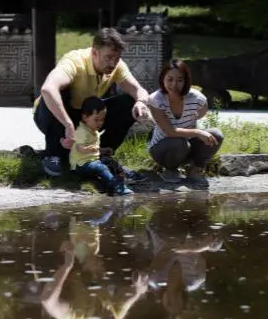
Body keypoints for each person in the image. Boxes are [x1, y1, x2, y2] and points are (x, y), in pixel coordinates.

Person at [33, 28, 151, 178]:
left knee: (130, 102)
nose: (113, 63)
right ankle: (52, 154)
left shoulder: (117, 65)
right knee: (59, 92)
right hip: (53, 116)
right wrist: (68, 125)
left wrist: (140, 102)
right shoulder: (74, 61)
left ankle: (102, 154)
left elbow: (139, 90)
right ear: (94, 53)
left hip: (85, 115)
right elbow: (48, 89)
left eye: (116, 58)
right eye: (108, 58)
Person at [146, 60, 223, 183]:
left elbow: (202, 112)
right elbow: (170, 132)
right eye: (170, 79)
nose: (174, 84)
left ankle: (195, 169)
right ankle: (170, 170)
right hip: (162, 149)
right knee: (179, 142)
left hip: (188, 146)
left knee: (216, 135)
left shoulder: (197, 98)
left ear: (186, 81)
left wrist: (193, 120)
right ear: (162, 79)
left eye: (180, 80)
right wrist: (198, 132)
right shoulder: (155, 99)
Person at [69, 97, 133, 195]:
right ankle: (114, 186)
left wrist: (104, 150)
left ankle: (122, 180)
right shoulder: (81, 132)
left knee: (110, 162)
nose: (100, 123)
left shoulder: (93, 130)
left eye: (102, 120)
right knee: (101, 167)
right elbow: (79, 148)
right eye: (96, 120)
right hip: (81, 165)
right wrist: (91, 149)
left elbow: (95, 149)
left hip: (91, 160)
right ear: (85, 117)